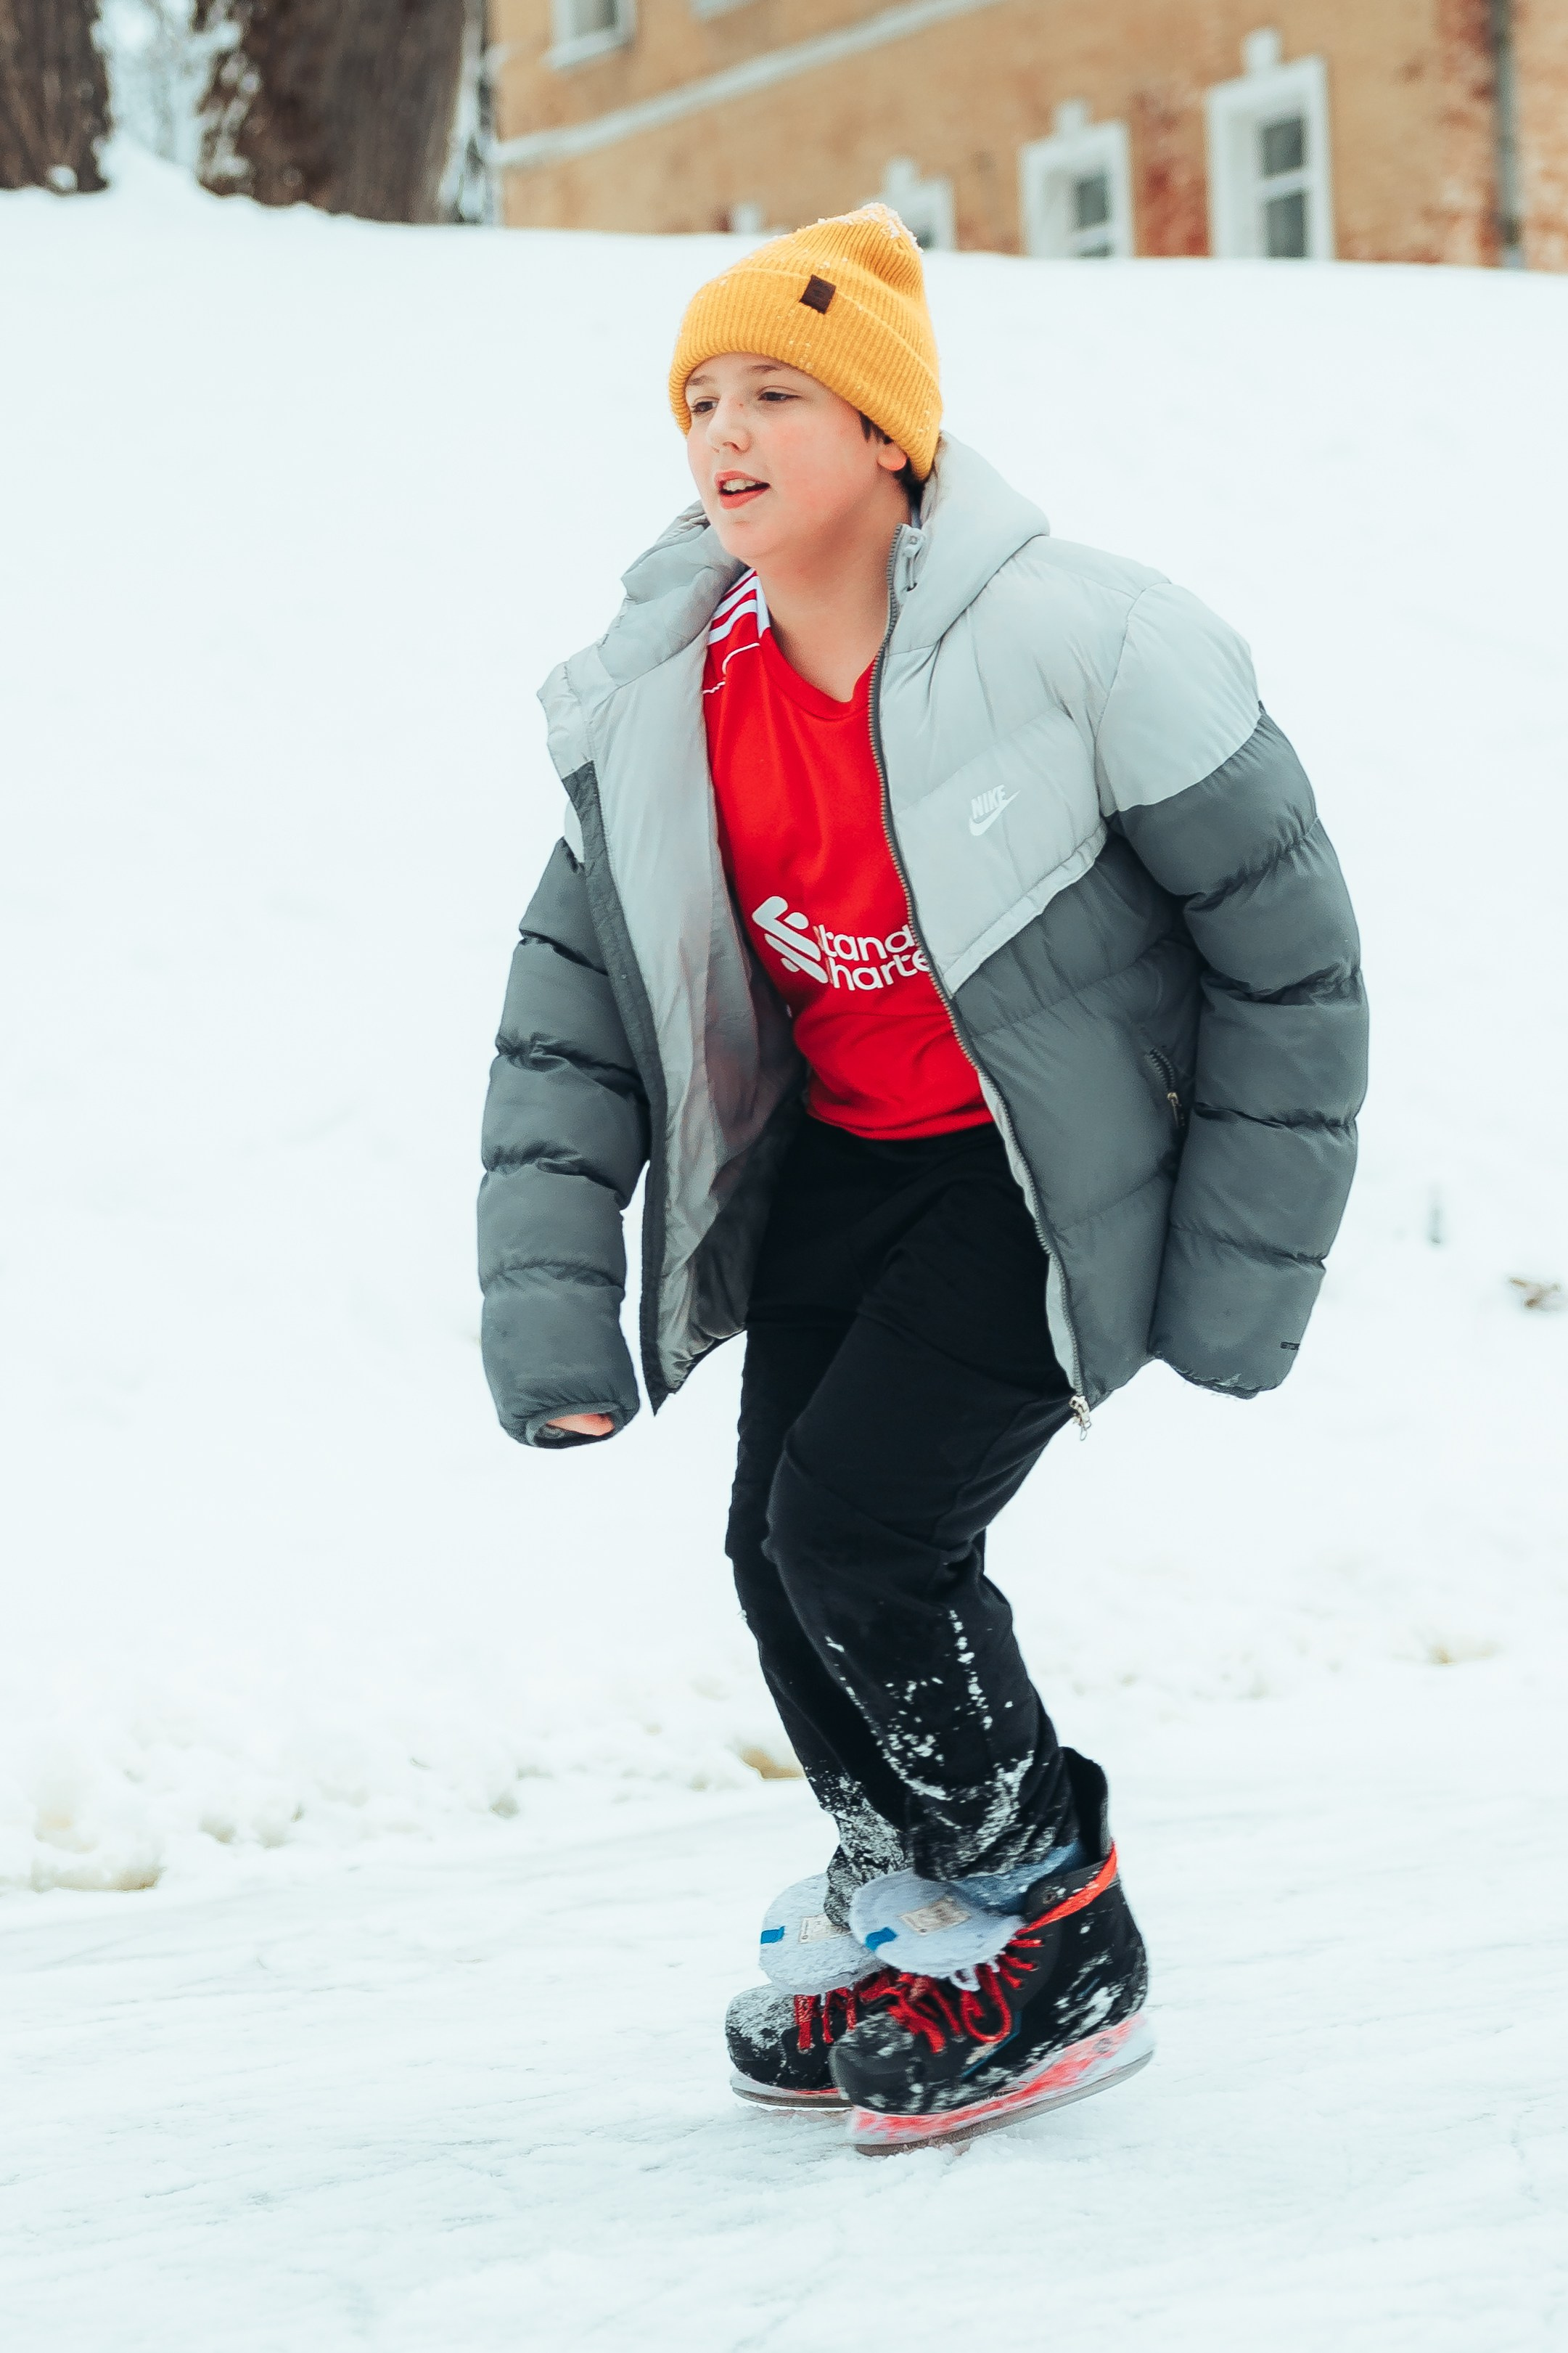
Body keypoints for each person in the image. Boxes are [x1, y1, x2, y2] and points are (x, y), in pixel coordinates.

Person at [477, 206, 1367, 2152]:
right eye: (699, 396)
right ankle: (920, 1905)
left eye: (777, 392)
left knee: (864, 1534)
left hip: (1039, 1183)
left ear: (888, 436)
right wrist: (556, 1305)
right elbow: (576, 1020)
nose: (725, 430)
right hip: (838, 1175)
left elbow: (1285, 950)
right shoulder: (669, 696)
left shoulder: (1080, 636)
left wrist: (1241, 1263)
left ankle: (1050, 1912)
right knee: (772, 1551)